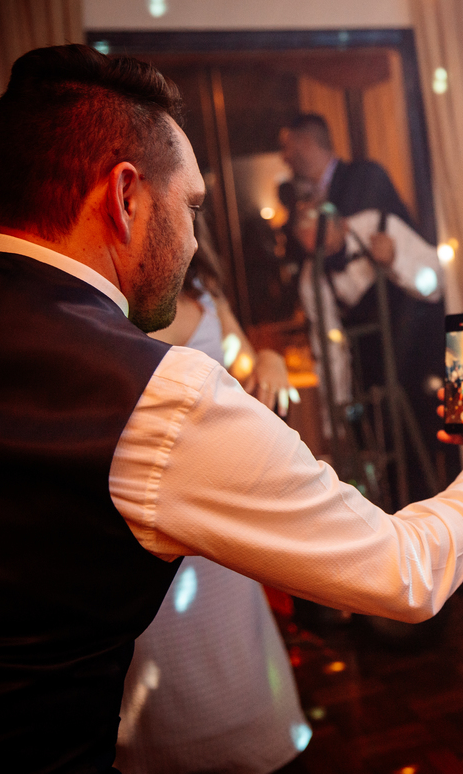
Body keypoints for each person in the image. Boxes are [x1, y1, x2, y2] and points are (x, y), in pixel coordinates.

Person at [0, 44, 463, 772]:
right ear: (125, 197)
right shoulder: (160, 398)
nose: (197, 236)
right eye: (193, 207)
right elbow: (405, 570)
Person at [115, 230, 307, 773]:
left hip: (221, 525)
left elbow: (246, 367)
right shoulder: (102, 311)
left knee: (242, 669)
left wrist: (268, 359)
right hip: (147, 523)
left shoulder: (205, 296)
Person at [282, 113, 447, 505]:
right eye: (302, 229)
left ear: (335, 217)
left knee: (435, 450)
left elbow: (435, 283)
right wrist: (332, 419)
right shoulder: (312, 278)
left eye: (317, 220)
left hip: (419, 359)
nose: (313, 235)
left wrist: (394, 263)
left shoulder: (376, 222)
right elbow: (330, 347)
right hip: (373, 377)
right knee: (386, 468)